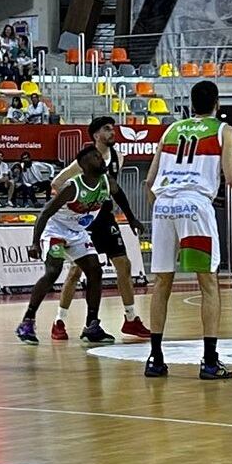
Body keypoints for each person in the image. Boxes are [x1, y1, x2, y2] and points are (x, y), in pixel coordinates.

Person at [143, 80, 232, 379]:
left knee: (161, 283)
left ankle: (155, 359)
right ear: (217, 103)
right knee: (208, 284)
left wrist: (163, 208)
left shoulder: (170, 130)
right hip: (195, 206)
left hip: (163, 206)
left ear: (191, 104)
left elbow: (148, 182)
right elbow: (231, 177)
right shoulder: (223, 130)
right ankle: (209, 361)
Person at [53, 117, 150, 340]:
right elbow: (57, 183)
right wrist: (75, 205)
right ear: (96, 135)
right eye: (107, 129)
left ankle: (131, 319)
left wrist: (131, 218)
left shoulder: (119, 157)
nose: (112, 132)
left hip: (105, 218)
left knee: (123, 265)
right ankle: (59, 321)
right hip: (85, 220)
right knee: (76, 271)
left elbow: (115, 190)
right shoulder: (83, 162)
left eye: (113, 128)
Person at [15, 145, 113, 345]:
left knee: (95, 270)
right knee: (53, 271)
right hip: (55, 230)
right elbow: (44, 213)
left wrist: (133, 219)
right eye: (96, 157)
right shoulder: (72, 186)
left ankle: (92, 324)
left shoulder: (106, 182)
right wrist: (35, 242)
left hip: (77, 232)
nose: (101, 159)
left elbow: (121, 197)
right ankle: (27, 321)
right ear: (84, 164)